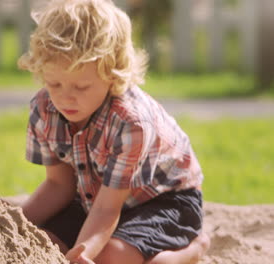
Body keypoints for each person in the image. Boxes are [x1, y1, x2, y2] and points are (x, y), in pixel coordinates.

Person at [17, 0, 210, 263]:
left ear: (112, 75)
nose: (65, 98)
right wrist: (13, 223)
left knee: (110, 257)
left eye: (81, 87)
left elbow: (108, 210)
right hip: (94, 198)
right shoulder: (44, 110)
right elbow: (59, 185)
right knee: (42, 240)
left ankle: (195, 248)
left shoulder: (131, 123)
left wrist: (83, 252)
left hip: (164, 200)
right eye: (54, 83)